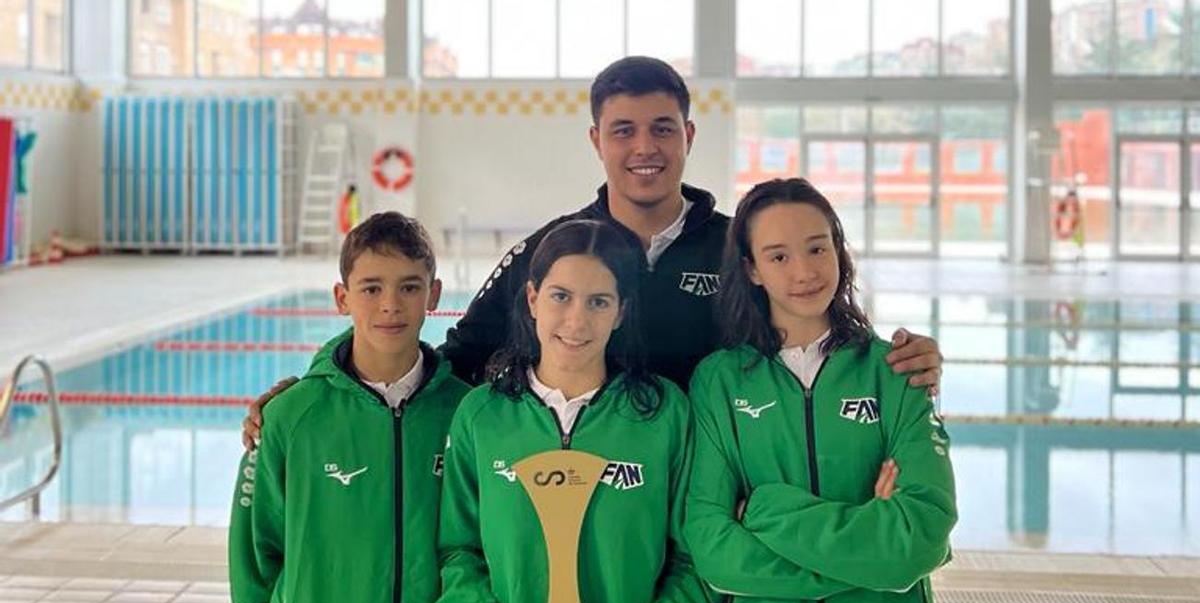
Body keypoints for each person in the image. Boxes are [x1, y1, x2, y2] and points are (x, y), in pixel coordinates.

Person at [238, 56, 943, 448]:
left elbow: (808, 327)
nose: (645, 148)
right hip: (582, 487)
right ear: (597, 140)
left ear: (689, 138)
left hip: (717, 485)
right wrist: (326, 387)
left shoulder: (737, 245)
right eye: (624, 130)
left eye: (663, 129)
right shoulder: (553, 251)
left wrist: (901, 361)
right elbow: (457, 356)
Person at [684, 178, 957, 603]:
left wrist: (767, 511)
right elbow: (711, 547)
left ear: (840, 250)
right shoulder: (721, 383)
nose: (804, 270)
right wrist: (866, 560)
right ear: (752, 270)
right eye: (778, 256)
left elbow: (921, 535)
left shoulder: (895, 374)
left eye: (817, 247)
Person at [431, 219, 713, 603]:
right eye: (560, 296)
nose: (577, 320)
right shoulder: (483, 417)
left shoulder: (664, 416)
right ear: (532, 298)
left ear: (622, 311)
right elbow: (457, 559)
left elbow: (697, 557)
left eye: (598, 301)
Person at [227, 212, 470, 603]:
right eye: (371, 288)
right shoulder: (292, 418)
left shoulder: (464, 413)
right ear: (342, 298)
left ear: (433, 295)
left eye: (409, 287)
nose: (391, 305)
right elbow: (254, 562)